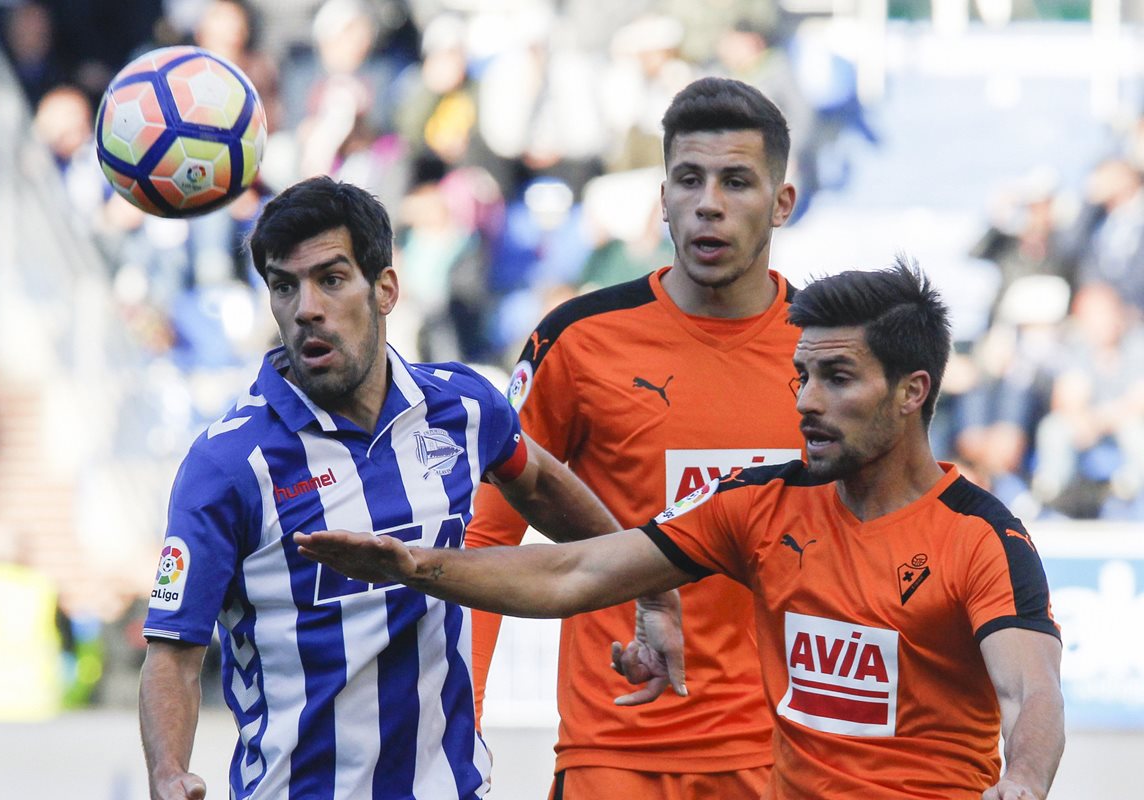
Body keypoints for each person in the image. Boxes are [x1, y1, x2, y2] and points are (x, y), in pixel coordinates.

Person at [297, 259, 1066, 800]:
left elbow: (1032, 691)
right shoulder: (760, 503)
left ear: (912, 392)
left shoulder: (984, 539)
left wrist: (1025, 778)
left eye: (837, 378)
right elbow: (576, 573)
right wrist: (416, 567)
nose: (804, 401)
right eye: (801, 376)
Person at [137, 176, 623, 800]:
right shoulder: (228, 463)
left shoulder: (461, 406)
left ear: (385, 289)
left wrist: (647, 591)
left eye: (330, 279)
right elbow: (174, 650)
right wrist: (168, 772)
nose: (306, 307)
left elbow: (540, 483)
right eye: (284, 286)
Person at [464, 75, 802, 799]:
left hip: (780, 757)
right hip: (613, 751)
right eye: (689, 179)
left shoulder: (831, 355)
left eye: (737, 181)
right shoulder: (578, 341)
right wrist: (462, 721)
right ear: (664, 199)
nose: (709, 202)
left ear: (782, 204)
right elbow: (487, 538)